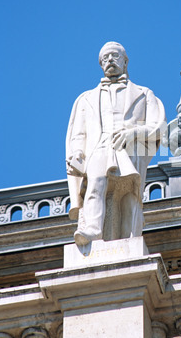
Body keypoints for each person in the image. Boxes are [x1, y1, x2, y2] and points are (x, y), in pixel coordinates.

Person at [66, 41, 166, 246]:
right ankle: (92, 230)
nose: (109, 60)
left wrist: (133, 133)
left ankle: (130, 239)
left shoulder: (144, 93)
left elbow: (160, 127)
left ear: (126, 61)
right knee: (95, 183)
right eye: (105, 58)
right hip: (98, 147)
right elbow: (79, 132)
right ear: (101, 64)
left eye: (114, 55)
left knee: (129, 195)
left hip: (130, 148)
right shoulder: (86, 99)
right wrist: (77, 152)